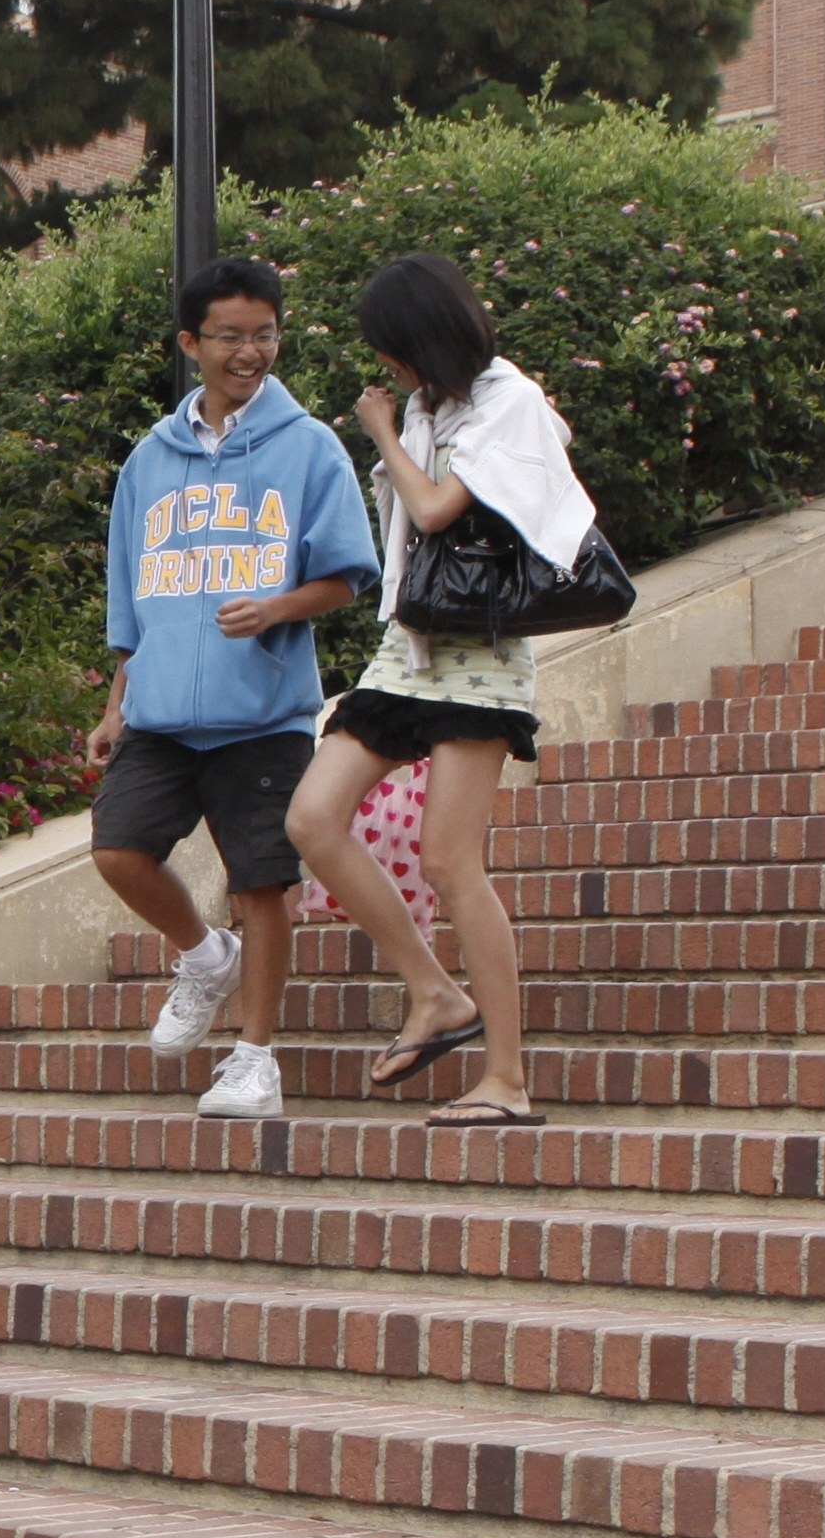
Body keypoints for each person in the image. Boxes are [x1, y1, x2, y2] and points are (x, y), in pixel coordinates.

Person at [286, 251, 594, 1127]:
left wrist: (382, 435)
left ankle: (506, 1079)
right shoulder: (432, 404)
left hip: (483, 650)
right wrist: (402, 421)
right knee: (311, 817)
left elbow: (432, 512)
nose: (389, 370)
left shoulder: (508, 402)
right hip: (409, 645)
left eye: (394, 350)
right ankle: (432, 991)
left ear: (425, 338)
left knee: (450, 860)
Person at [85, 254, 381, 1121]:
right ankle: (201, 955)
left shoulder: (308, 448)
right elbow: (132, 596)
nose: (248, 352)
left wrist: (278, 607)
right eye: (229, 336)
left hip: (264, 714)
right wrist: (114, 703)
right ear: (190, 343)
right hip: (163, 710)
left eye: (264, 335)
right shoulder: (149, 459)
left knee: (261, 888)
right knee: (117, 848)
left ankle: (254, 1061)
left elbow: (346, 576)